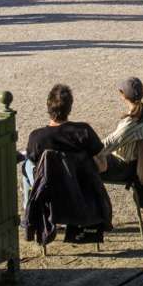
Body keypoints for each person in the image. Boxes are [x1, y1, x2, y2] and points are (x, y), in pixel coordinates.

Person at [23, 83, 108, 244]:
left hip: (50, 195)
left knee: (27, 165)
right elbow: (103, 166)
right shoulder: (84, 132)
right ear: (70, 107)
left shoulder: (37, 137)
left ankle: (31, 218)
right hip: (81, 194)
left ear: (48, 106)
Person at [97, 78, 143, 208]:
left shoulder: (131, 123)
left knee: (85, 168)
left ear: (123, 95)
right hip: (135, 162)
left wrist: (85, 148)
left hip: (124, 166)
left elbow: (109, 143)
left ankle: (93, 215)